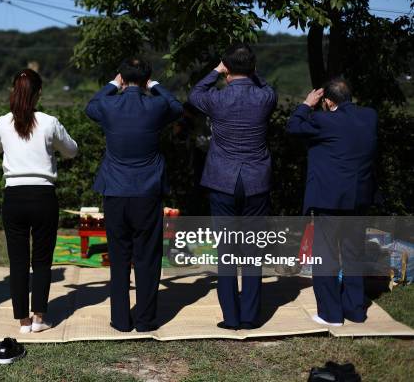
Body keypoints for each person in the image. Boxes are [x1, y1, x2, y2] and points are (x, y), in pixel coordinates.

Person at [86, 58, 183, 332]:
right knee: (147, 258)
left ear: (122, 78)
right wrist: (154, 85)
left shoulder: (108, 104)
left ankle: (120, 319)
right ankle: (145, 319)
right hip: (147, 191)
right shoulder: (156, 105)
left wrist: (111, 85)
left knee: (118, 257)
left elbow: (90, 106)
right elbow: (176, 106)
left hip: (115, 191)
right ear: (146, 79)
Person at [188, 43, 277, 330]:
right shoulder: (265, 97)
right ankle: (251, 315)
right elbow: (265, 85)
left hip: (222, 179)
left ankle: (231, 316)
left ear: (226, 70)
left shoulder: (216, 98)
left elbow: (194, 94)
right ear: (252, 69)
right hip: (255, 180)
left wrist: (217, 69)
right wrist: (250, 71)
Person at [0, 69, 78, 333]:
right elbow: (72, 150)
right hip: (43, 197)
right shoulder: (50, 122)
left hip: (13, 197)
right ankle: (39, 318)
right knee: (41, 261)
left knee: (17, 262)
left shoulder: (2, 122)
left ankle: (22, 321)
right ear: (39, 93)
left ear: (13, 92)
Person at [286, 78, 377, 326]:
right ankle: (355, 310)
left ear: (327, 101)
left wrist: (306, 104)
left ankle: (330, 313)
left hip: (330, 200)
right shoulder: (370, 117)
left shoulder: (323, 120)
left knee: (325, 254)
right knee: (353, 253)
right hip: (359, 198)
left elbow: (293, 127)